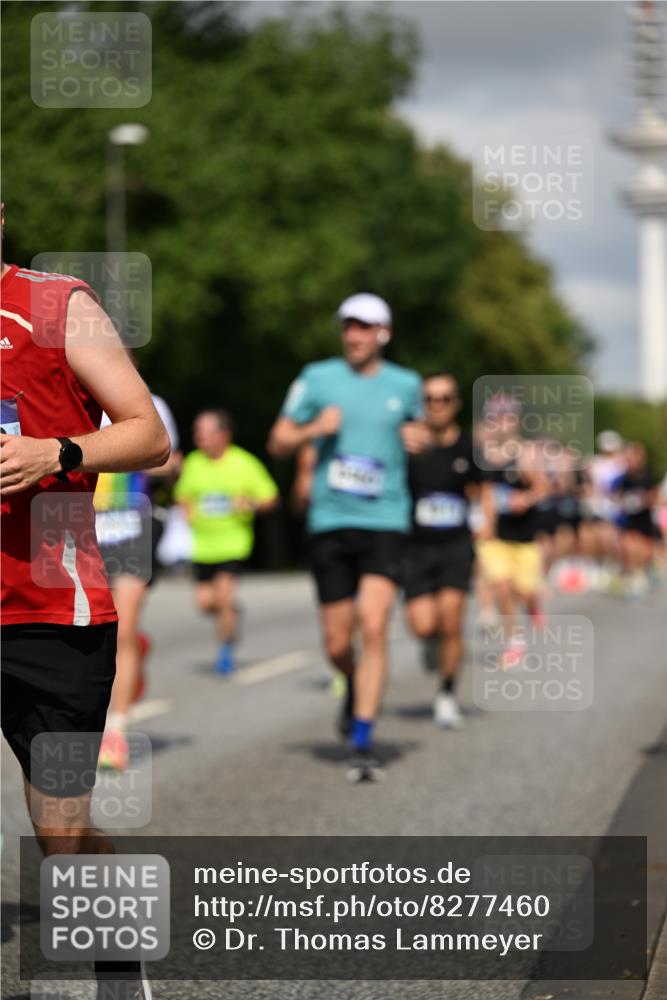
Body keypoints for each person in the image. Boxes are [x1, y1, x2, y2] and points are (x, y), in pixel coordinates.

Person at [0, 209, 169, 999]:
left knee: (60, 836)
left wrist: (55, 452)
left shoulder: (55, 305)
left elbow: (148, 435)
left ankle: (118, 950)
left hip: (49, 608)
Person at [268, 292, 428, 782]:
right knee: (338, 641)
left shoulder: (407, 384)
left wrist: (418, 441)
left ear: (384, 333)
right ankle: (354, 682)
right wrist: (314, 427)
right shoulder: (317, 378)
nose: (354, 335)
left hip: (386, 519)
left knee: (373, 624)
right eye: (348, 327)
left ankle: (362, 735)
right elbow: (278, 441)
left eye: (364, 327)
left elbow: (420, 436)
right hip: (330, 521)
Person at [95, 374, 181, 771]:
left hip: (132, 527)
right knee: (94, 633)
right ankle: (130, 653)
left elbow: (170, 459)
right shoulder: (68, 400)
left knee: (124, 627)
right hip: (81, 527)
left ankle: (115, 732)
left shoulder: (150, 402)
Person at [403, 374, 494, 728]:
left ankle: (446, 693)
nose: (435, 406)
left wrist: (487, 524)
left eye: (443, 399)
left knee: (452, 618)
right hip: (415, 546)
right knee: (424, 625)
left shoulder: (469, 447)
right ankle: (431, 643)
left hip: (456, 544)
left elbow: (483, 489)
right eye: (429, 399)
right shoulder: (408, 445)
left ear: (455, 404)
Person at [174, 408, 279, 673]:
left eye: (206, 433)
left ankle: (225, 649)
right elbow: (182, 495)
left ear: (224, 434)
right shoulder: (195, 463)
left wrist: (251, 503)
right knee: (205, 603)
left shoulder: (245, 463)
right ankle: (230, 614)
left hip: (233, 544)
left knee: (223, 596)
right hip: (202, 546)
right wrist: (186, 509)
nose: (200, 438)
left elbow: (271, 498)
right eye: (197, 433)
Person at [475, 394, 549, 669]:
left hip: (524, 535)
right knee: (502, 586)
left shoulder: (525, 452)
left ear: (516, 420)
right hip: (496, 537)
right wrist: (485, 520)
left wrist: (524, 499)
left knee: (525, 592)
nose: (502, 423)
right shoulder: (482, 453)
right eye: (496, 417)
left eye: (507, 417)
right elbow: (481, 490)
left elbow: (543, 487)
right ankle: (515, 641)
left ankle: (534, 606)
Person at [614, 441, 660, 597]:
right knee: (628, 546)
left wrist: (642, 500)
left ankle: (644, 572)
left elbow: (656, 498)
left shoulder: (649, 476)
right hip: (629, 520)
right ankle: (633, 578)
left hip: (645, 520)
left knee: (643, 551)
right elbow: (617, 496)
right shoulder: (625, 478)